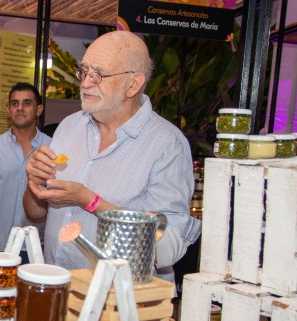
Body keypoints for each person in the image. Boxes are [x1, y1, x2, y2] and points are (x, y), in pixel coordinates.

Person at [23, 31, 201, 281]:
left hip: (122, 298)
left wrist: (90, 201)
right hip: (58, 288)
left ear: (133, 84)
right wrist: (34, 183)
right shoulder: (69, 126)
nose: (86, 83)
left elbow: (167, 249)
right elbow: (36, 214)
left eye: (98, 75)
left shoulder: (167, 145)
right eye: (84, 72)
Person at [0, 82, 50, 263]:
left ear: (39, 109)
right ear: (9, 110)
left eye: (27, 103)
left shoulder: (52, 149)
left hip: (37, 247)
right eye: (15, 103)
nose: (20, 108)